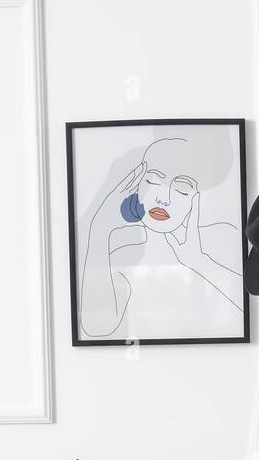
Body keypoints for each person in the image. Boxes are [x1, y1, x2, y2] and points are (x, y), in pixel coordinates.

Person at [79, 133, 244, 341]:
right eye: (154, 180)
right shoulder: (123, 255)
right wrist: (99, 230)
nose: (163, 200)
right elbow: (97, 330)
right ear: (137, 184)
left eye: (182, 188)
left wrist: (197, 260)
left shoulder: (225, 236)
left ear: (197, 198)